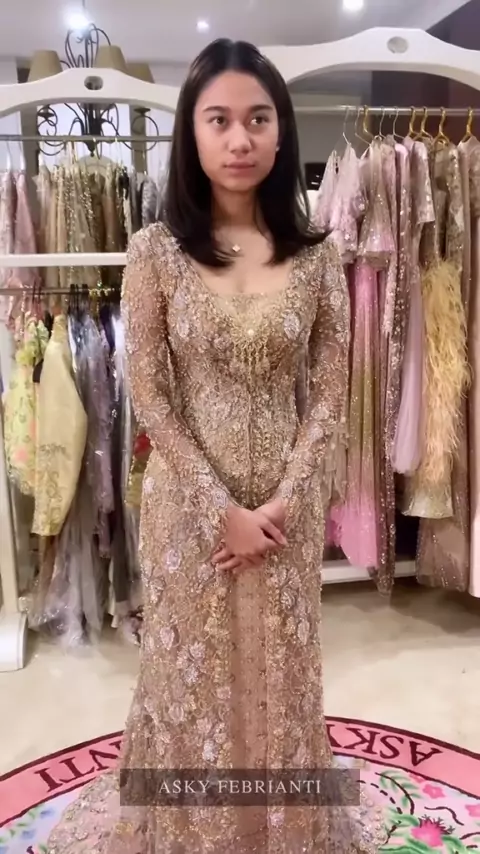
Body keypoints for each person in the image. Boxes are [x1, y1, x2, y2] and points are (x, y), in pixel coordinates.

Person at [47, 38, 385, 853]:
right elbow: (152, 395)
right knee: (192, 679)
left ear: (281, 132)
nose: (240, 139)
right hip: (190, 514)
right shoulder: (154, 252)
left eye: (258, 119)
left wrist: (283, 503)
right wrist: (220, 508)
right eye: (219, 120)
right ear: (191, 133)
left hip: (285, 513)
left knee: (280, 675)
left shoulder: (319, 256)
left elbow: (329, 396)